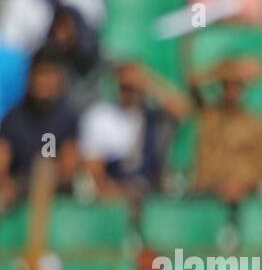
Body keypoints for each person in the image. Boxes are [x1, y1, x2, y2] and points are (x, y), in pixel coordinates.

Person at [79, 61, 192, 203]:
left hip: (150, 193)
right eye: (126, 86)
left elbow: (185, 111)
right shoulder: (101, 116)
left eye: (135, 86)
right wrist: (117, 196)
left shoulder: (153, 116)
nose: (131, 91)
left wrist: (148, 84)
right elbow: (95, 171)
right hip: (115, 193)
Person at [189, 57, 262, 205]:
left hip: (248, 196)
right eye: (226, 85)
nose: (231, 90)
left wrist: (243, 185)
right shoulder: (208, 117)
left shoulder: (258, 125)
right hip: (211, 195)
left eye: (237, 85)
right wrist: (226, 70)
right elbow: (193, 83)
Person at [0, 51, 80, 208]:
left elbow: (68, 170)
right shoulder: (13, 119)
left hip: (56, 200)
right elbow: (2, 165)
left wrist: (42, 183)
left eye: (51, 74)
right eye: (41, 74)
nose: (45, 82)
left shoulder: (67, 119)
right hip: (18, 199)